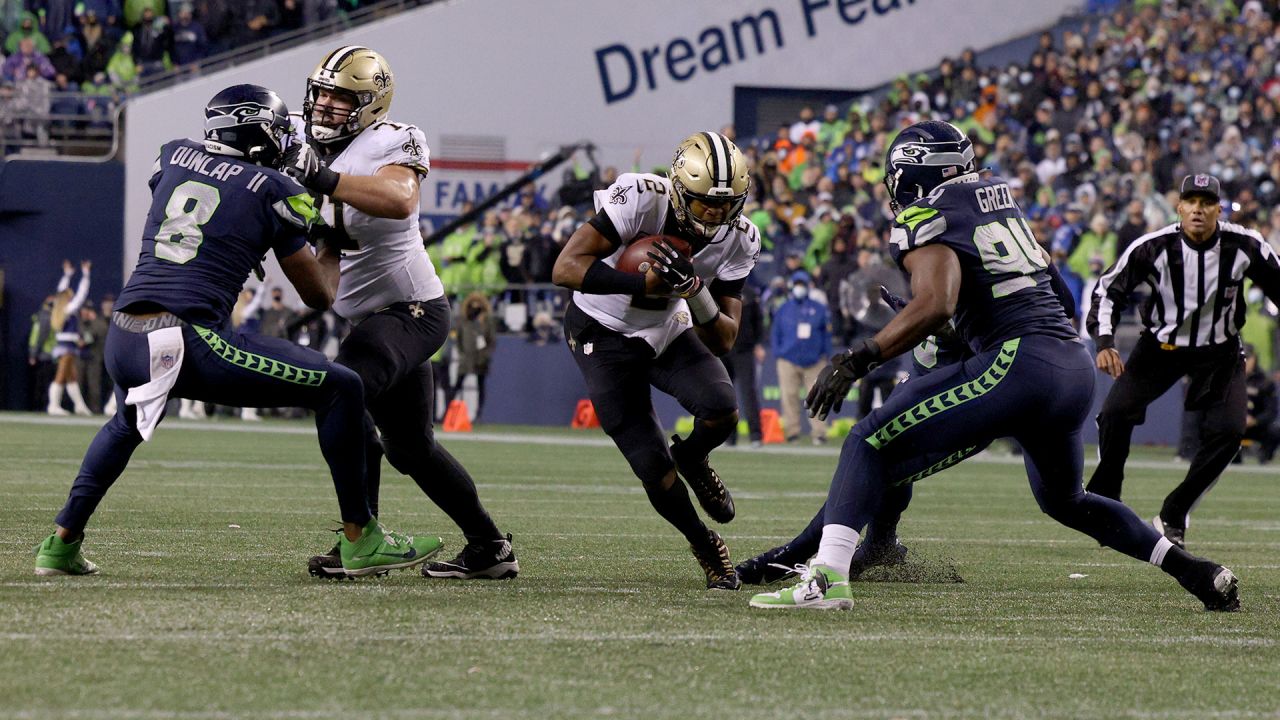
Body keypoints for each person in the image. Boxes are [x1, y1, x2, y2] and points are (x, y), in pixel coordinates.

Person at [747, 121, 1239, 612]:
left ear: (919, 174)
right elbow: (1061, 298)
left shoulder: (927, 214)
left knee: (867, 440)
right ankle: (1195, 572)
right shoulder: (1000, 201)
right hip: (1071, 366)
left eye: (898, 173)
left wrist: (860, 357)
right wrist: (969, 323)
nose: (893, 184)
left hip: (1016, 364)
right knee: (1066, 500)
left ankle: (826, 577)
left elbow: (936, 303)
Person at [34, 84, 441, 578]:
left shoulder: (173, 155)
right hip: (184, 338)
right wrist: (329, 246)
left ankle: (59, 545)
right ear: (259, 137)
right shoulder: (276, 192)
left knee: (125, 425)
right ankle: (361, 538)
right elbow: (318, 296)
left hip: (126, 331)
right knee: (342, 385)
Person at [280, 47, 517, 580]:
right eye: (321, 91)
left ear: (370, 104)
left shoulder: (390, 140)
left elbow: (399, 198)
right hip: (367, 317)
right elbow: (320, 286)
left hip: (414, 310)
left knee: (344, 392)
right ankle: (489, 545)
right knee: (411, 449)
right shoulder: (293, 135)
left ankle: (362, 541)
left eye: (341, 96)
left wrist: (321, 180)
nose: (324, 104)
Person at [552, 131, 759, 590]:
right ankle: (703, 543)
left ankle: (694, 456)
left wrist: (695, 291)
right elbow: (565, 267)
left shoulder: (741, 237)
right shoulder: (642, 198)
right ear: (678, 189)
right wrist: (640, 287)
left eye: (726, 205)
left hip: (667, 327)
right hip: (601, 332)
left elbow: (725, 337)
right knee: (651, 465)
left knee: (723, 409)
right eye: (705, 204)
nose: (715, 215)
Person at [1086, 174, 1280, 548]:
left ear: (1218, 210)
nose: (1198, 209)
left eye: (1206, 203)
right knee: (1114, 414)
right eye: (1191, 201)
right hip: (1161, 348)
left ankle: (1174, 512)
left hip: (1219, 351)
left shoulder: (1245, 246)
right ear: (1179, 207)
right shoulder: (1154, 246)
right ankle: (1107, 503)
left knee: (1228, 432)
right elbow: (1109, 289)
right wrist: (1105, 340)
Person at [771, 270, 832, 445]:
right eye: (797, 284)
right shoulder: (784, 308)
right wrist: (778, 352)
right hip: (788, 358)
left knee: (818, 396)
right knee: (788, 396)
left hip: (814, 360)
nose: (799, 288)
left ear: (807, 286)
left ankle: (819, 432)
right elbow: (775, 332)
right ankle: (792, 432)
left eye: (802, 284)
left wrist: (826, 355)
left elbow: (826, 333)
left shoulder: (819, 308)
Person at [46, 259, 93, 416]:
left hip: (64, 344)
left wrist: (67, 274)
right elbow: (81, 294)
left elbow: (61, 290)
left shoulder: (60, 308)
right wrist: (85, 275)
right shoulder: (68, 309)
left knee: (71, 377)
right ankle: (53, 405)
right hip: (67, 345)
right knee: (60, 375)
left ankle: (80, 406)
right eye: (69, 295)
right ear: (66, 298)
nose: (71, 295)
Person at [721, 281, 764, 447]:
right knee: (725, 395)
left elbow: (758, 321)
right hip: (723, 348)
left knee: (748, 393)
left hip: (744, 350)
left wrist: (758, 343)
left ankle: (756, 435)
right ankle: (729, 437)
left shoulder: (750, 293)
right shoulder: (716, 288)